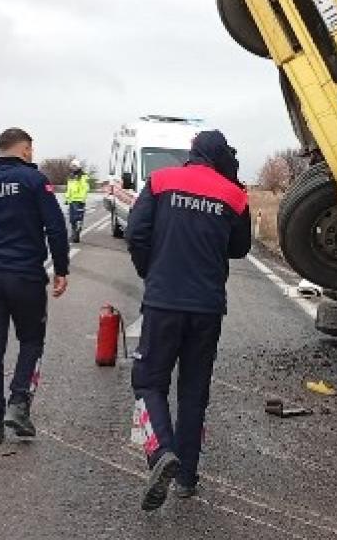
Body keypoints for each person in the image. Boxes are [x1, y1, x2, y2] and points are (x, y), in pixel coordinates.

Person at [126, 129, 251, 511]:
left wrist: (152, 272)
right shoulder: (234, 194)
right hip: (208, 308)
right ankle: (185, 478)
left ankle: (161, 451)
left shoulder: (161, 181)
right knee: (194, 392)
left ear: (192, 153)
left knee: (149, 382)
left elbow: (136, 233)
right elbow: (241, 248)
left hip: (164, 303)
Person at [0, 127, 70, 444]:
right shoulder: (34, 181)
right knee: (31, 340)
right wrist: (62, 268)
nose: (32, 154)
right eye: (31, 149)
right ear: (24, 149)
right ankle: (19, 404)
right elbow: (55, 226)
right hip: (24, 274)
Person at [65, 159, 90, 243]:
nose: (73, 168)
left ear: (78, 166)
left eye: (74, 166)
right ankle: (73, 234)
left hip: (79, 201)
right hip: (72, 200)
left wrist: (82, 199)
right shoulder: (71, 176)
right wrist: (67, 198)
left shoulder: (83, 176)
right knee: (72, 219)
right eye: (72, 166)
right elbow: (69, 189)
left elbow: (85, 188)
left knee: (78, 218)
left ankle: (76, 235)